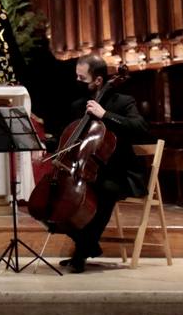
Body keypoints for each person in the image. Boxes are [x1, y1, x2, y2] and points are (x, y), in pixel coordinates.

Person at [61, 54, 151, 272]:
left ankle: (82, 251)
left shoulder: (122, 102)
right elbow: (71, 138)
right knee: (61, 198)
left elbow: (140, 128)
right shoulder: (78, 105)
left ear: (99, 80)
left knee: (103, 189)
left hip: (119, 172)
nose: (78, 82)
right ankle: (87, 245)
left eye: (82, 78)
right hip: (86, 171)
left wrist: (105, 115)